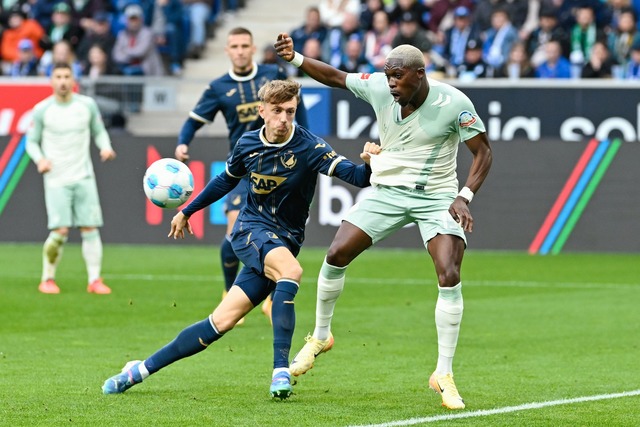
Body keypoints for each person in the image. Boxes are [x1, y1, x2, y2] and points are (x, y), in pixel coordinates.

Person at [101, 79, 378, 399]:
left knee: (219, 323)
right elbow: (224, 182)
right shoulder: (247, 145)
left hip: (285, 240)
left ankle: (138, 370)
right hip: (250, 230)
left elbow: (357, 177)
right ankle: (280, 370)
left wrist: (370, 164)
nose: (284, 119)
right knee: (292, 272)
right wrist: (187, 211)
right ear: (262, 111)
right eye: (277, 111)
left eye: (290, 111)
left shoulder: (309, 147)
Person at [274, 33, 492, 410]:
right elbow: (335, 76)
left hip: (437, 197)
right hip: (388, 191)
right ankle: (321, 336)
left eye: (398, 77)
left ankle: (443, 373)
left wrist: (464, 196)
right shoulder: (380, 88)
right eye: (388, 76)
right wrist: (296, 59)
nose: (391, 84)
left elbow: (483, 152)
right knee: (336, 254)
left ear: (420, 75)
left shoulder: (454, 103)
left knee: (449, 273)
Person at [175, 27, 309, 323]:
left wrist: (307, 144)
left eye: (245, 45)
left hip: (281, 166)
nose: (239, 50)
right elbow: (194, 121)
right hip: (243, 169)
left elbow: (299, 107)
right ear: (227, 50)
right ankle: (230, 292)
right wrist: (183, 142)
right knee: (236, 229)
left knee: (282, 233)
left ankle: (273, 298)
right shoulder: (218, 87)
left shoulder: (272, 76)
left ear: (252, 48)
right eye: (234, 45)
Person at [25, 62, 117, 295]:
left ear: (73, 79)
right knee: (60, 232)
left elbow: (99, 131)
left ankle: (95, 280)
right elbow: (31, 142)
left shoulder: (86, 106)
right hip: (56, 178)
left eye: (67, 76)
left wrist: (105, 147)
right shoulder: (42, 109)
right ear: (51, 81)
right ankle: (47, 278)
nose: (63, 81)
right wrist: (40, 160)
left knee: (90, 228)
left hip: (84, 176)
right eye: (58, 76)